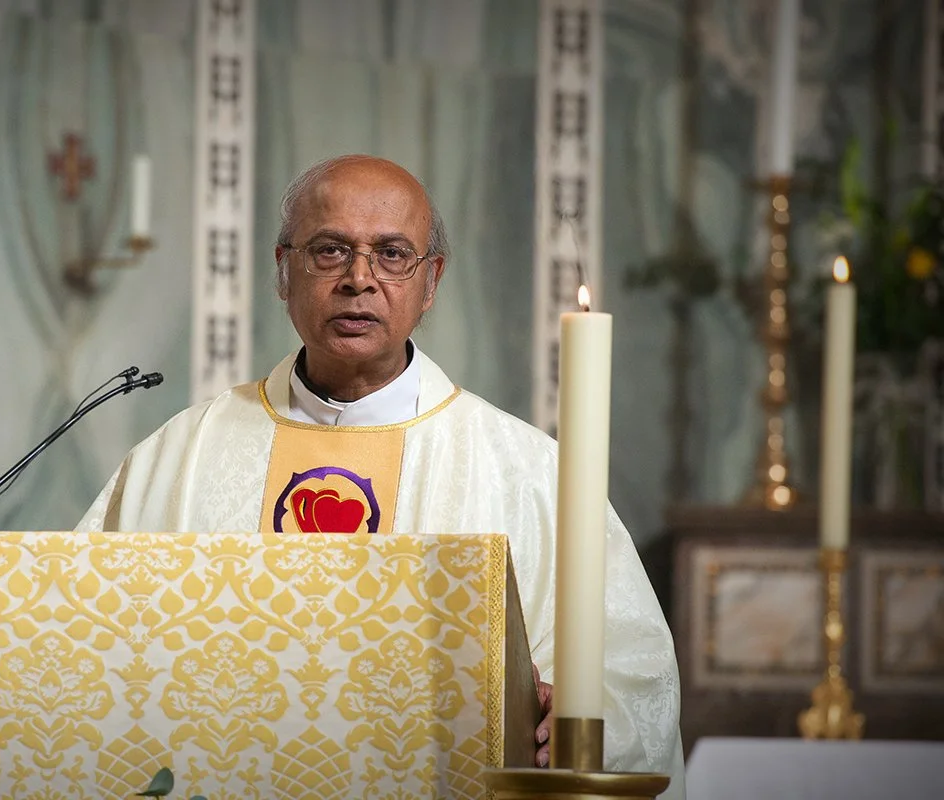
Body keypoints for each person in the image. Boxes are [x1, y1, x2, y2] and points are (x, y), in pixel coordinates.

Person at [78, 154, 684, 796]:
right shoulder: (183, 455)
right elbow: (88, 645)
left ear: (431, 282)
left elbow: (633, 675)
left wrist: (581, 720)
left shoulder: (526, 470)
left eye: (393, 254)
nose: (359, 279)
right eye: (330, 251)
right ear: (284, 270)